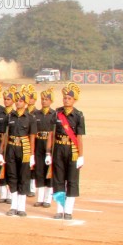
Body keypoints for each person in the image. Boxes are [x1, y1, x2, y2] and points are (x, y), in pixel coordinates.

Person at [0, 85, 36, 217]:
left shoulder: (30, 118)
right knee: (12, 176)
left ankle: (21, 206)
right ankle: (13, 205)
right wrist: (0, 153)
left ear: (26, 103)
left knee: (24, 177)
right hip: (11, 148)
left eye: (20, 101)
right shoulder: (10, 116)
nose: (18, 103)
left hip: (24, 148)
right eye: (17, 101)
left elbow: (32, 137)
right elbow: (5, 135)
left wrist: (32, 154)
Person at [52, 82, 86, 220]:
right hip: (59, 148)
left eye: (69, 98)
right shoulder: (57, 113)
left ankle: (69, 211)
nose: (66, 100)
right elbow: (52, 134)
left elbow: (79, 137)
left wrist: (81, 155)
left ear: (74, 100)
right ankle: (60, 210)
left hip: (72, 150)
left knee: (72, 180)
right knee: (59, 179)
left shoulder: (78, 115)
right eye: (65, 97)